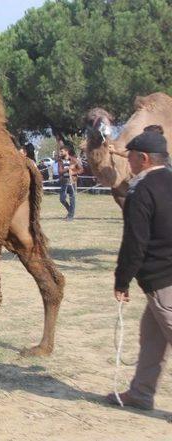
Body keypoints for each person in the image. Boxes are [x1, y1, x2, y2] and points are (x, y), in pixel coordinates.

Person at [107, 127, 172, 411]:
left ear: (143, 158)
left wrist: (122, 281)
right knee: (151, 339)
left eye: (130, 156)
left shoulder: (141, 190)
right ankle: (140, 393)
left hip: (163, 279)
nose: (128, 161)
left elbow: (135, 242)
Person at [57, 144, 83, 221]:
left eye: (61, 151)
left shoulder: (74, 160)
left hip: (72, 182)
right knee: (62, 199)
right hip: (63, 182)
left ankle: (70, 216)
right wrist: (68, 168)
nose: (60, 153)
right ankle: (70, 212)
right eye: (60, 151)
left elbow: (81, 170)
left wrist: (73, 173)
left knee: (72, 199)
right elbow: (60, 171)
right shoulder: (60, 161)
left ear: (66, 151)